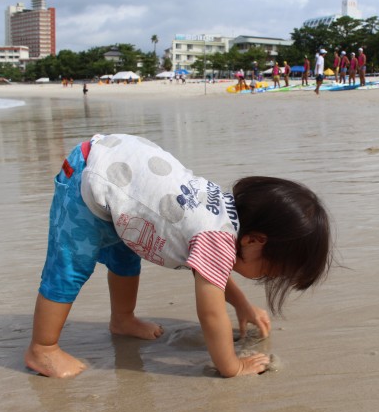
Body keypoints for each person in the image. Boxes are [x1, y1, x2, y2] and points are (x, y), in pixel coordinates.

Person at [25, 134, 333, 379]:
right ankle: (43, 348)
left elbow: (212, 272)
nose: (267, 278)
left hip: (121, 182)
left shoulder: (226, 217)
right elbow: (210, 313)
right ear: (254, 241)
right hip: (87, 179)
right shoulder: (216, 237)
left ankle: (122, 319)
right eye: (270, 271)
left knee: (125, 262)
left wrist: (242, 305)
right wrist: (232, 367)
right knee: (69, 268)